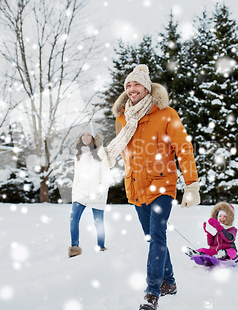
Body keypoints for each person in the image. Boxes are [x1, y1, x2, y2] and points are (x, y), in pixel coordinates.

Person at [98, 64, 200, 310]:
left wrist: (191, 184)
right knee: (153, 237)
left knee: (156, 237)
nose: (132, 89)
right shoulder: (122, 117)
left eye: (137, 84)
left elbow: (183, 149)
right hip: (136, 186)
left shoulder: (166, 114)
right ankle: (170, 282)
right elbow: (127, 153)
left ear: (147, 87)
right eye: (128, 85)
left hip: (162, 184)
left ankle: (151, 293)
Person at [69, 127, 109, 258]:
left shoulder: (101, 153)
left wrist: (102, 192)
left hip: (96, 193)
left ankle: (101, 247)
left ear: (93, 137)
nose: (85, 138)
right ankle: (74, 247)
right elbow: (77, 175)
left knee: (99, 222)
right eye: (83, 135)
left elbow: (105, 176)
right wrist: (74, 194)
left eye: (88, 135)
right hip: (80, 193)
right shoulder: (78, 155)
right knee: (73, 219)